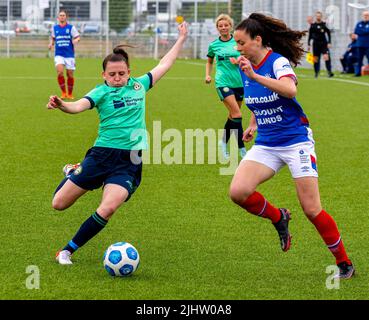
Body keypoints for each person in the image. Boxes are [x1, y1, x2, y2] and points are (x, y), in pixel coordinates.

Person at [47, 22, 188, 265]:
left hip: (129, 161)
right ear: (104, 75)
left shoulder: (139, 85)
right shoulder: (100, 92)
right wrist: (62, 105)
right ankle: (73, 171)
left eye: (121, 73)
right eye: (112, 74)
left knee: (109, 207)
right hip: (101, 156)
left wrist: (181, 39)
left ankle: (67, 251)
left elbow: (164, 64)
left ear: (129, 72)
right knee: (58, 203)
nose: (117, 78)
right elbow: (78, 106)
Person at [229, 13, 354, 279]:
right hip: (267, 142)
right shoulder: (246, 66)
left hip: (295, 140)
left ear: (257, 40)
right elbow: (258, 98)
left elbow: (289, 90)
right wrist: (253, 123)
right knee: (238, 191)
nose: (237, 48)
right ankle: (278, 217)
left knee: (311, 209)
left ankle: (344, 263)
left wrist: (256, 75)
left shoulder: (277, 62)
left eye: (241, 42)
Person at [205, 14, 247, 159]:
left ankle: (223, 142)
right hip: (223, 82)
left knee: (233, 116)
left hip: (239, 83)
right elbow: (209, 61)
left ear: (230, 26)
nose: (223, 28)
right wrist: (208, 75)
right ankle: (242, 148)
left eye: (226, 25)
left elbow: (246, 57)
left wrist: (239, 61)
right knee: (237, 114)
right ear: (217, 28)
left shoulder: (238, 42)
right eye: (220, 26)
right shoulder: (214, 45)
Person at [48, 9, 80, 99]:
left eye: (63, 15)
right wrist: (51, 44)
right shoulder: (55, 28)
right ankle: (63, 93)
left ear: (66, 17)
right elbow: (53, 39)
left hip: (69, 55)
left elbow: (78, 37)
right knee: (60, 72)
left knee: (70, 74)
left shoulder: (71, 28)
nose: (62, 17)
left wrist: (75, 40)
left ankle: (70, 94)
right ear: (58, 18)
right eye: (60, 15)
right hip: (59, 54)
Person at [307, 11, 334, 78]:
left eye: (319, 16)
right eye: (317, 16)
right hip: (315, 44)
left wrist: (329, 42)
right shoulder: (313, 25)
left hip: (324, 44)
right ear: (316, 17)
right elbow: (310, 35)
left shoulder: (324, 24)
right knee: (315, 59)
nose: (318, 17)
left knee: (326, 57)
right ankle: (316, 72)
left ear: (321, 17)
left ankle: (329, 72)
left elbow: (328, 33)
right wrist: (308, 44)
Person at [352, 10, 369, 77]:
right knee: (359, 59)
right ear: (362, 16)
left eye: (367, 15)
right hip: (360, 44)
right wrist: (363, 31)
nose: (366, 16)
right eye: (365, 15)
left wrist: (361, 31)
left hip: (368, 45)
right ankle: (358, 73)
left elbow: (366, 31)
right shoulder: (359, 23)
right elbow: (356, 31)